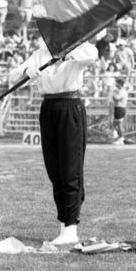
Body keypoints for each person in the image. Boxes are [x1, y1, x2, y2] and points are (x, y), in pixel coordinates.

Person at [10, 39, 98, 246]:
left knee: (70, 169)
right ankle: (63, 224)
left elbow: (92, 55)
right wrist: (27, 71)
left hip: (70, 105)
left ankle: (71, 227)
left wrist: (69, 52)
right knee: (55, 170)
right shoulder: (40, 53)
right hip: (48, 107)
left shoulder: (76, 46)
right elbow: (13, 75)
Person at [112, 78, 128, 145]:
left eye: (116, 83)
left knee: (118, 124)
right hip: (117, 108)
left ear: (119, 84)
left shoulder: (122, 91)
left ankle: (121, 138)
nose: (115, 84)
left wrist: (113, 93)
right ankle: (120, 137)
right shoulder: (119, 91)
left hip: (120, 108)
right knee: (115, 124)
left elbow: (117, 98)